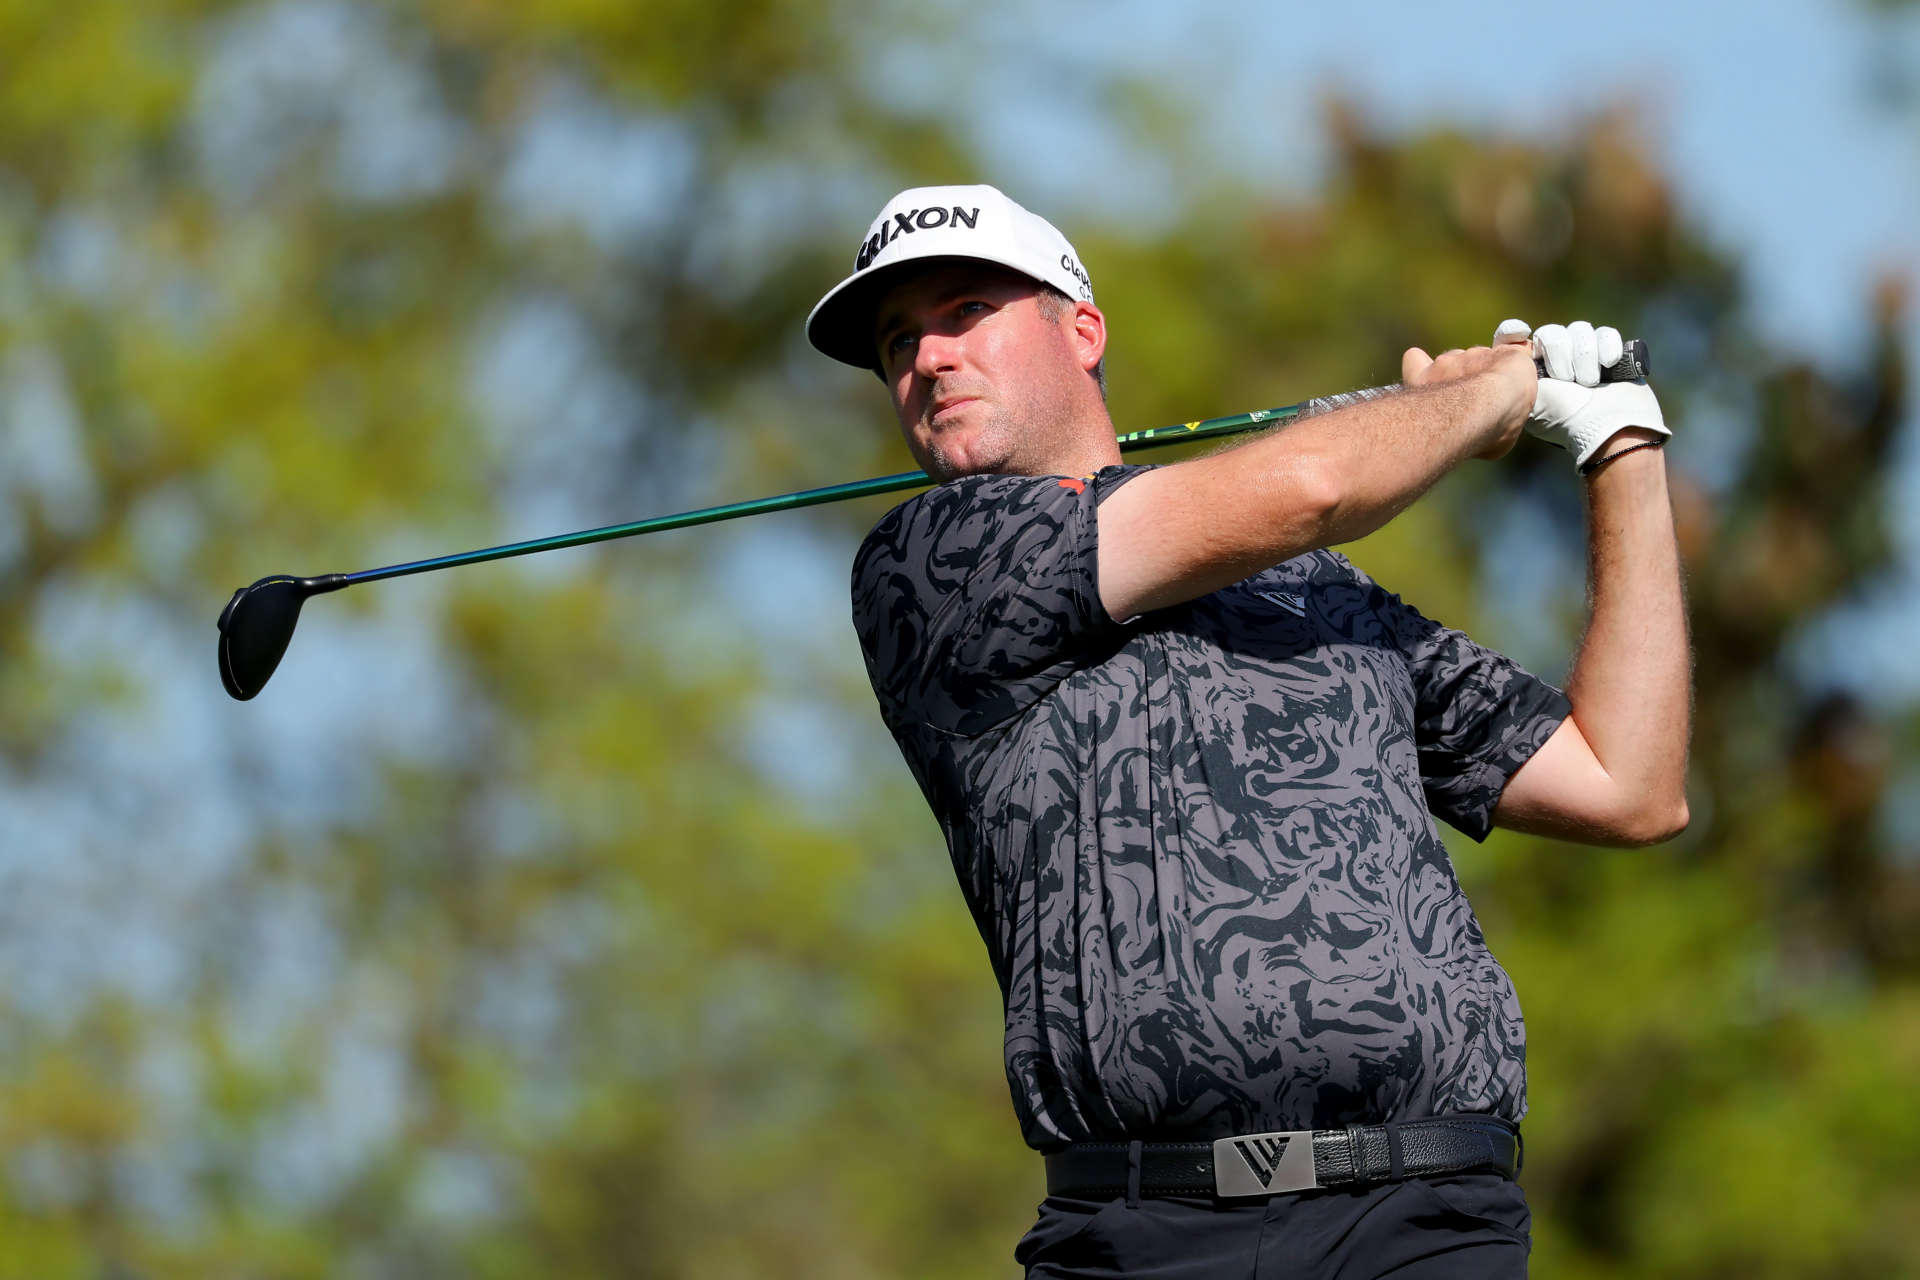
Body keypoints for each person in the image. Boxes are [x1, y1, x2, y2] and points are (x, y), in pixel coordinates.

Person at [808, 184, 1691, 1279]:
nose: (928, 357)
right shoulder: (931, 567)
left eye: (965, 309)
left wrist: (1620, 441)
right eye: (900, 339)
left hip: (1423, 1223)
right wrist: (1497, 395)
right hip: (1143, 1235)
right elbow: (1314, 481)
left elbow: (1629, 782)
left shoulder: (1314, 589)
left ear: (1080, 328)